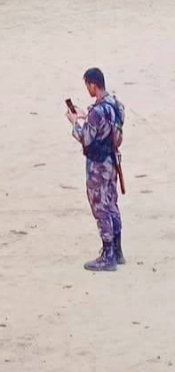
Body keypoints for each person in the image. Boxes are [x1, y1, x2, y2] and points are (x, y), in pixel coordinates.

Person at [66, 67, 125, 271]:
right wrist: (86, 116)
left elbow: (85, 138)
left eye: (87, 85)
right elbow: (111, 128)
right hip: (112, 161)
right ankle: (117, 250)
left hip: (98, 164)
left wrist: (75, 122)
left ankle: (108, 255)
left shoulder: (96, 112)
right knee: (111, 203)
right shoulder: (115, 104)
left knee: (100, 206)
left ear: (93, 84)